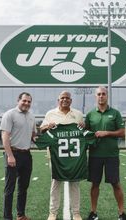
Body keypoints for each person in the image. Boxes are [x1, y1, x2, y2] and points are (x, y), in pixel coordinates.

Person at [40, 91, 84, 220]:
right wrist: (48, 126)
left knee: (74, 183)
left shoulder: (78, 114)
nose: (65, 100)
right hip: (55, 156)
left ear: (71, 100)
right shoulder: (50, 114)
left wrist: (83, 125)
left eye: (67, 98)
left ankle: (76, 212)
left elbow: (82, 132)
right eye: (62, 98)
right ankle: (53, 212)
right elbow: (41, 130)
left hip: (73, 157)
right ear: (58, 100)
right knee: (56, 183)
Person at [85, 86, 126, 220]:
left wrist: (107, 133)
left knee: (116, 183)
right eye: (99, 94)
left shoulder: (115, 113)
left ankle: (121, 213)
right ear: (95, 96)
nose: (101, 96)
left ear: (107, 96)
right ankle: (93, 212)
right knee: (95, 184)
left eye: (103, 94)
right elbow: (85, 133)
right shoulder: (90, 114)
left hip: (111, 155)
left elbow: (122, 132)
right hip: (95, 155)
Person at [0, 92, 36, 220]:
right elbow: (4, 136)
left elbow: (33, 136)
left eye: (29, 101)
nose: (26, 103)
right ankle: (7, 217)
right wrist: (10, 156)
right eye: (24, 101)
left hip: (27, 155)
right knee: (10, 188)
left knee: (23, 188)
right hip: (13, 154)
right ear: (18, 100)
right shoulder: (10, 114)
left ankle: (21, 215)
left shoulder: (31, 116)